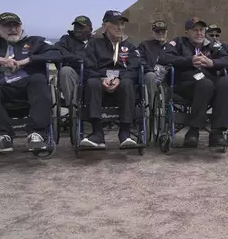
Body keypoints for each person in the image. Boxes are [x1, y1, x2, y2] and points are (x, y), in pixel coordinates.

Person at [0, 12, 61, 152]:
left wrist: (28, 60)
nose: (12, 29)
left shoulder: (36, 41)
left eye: (16, 25)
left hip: (27, 87)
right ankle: (3, 135)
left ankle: (37, 133)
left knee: (39, 79)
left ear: (21, 27)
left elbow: (57, 54)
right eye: (7, 26)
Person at [159, 18, 228, 150]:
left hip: (209, 83)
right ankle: (193, 131)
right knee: (205, 84)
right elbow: (164, 58)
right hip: (185, 84)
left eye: (201, 30)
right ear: (187, 32)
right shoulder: (178, 43)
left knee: (226, 83)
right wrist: (189, 61)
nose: (199, 33)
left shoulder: (213, 46)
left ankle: (217, 134)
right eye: (194, 30)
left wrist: (213, 63)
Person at [81, 10, 141, 148]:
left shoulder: (129, 47)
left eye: (122, 24)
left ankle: (125, 133)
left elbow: (134, 68)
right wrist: (102, 78)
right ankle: (97, 134)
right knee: (92, 82)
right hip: (100, 84)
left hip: (121, 83)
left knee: (128, 83)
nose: (120, 27)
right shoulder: (93, 45)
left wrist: (120, 78)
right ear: (105, 25)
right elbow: (88, 68)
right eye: (116, 24)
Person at [55, 15, 93, 105]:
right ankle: (73, 109)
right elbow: (58, 51)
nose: (78, 29)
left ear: (90, 29)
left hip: (91, 75)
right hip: (74, 74)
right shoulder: (66, 39)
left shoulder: (96, 42)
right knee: (65, 71)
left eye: (81, 27)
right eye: (76, 26)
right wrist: (79, 59)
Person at [137, 20, 168, 110]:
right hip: (150, 75)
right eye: (157, 31)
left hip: (167, 77)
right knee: (150, 76)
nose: (161, 34)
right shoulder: (145, 45)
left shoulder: (171, 46)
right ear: (153, 32)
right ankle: (152, 109)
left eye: (163, 31)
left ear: (167, 32)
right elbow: (139, 59)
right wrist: (150, 70)